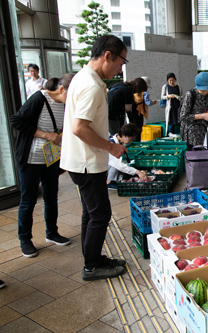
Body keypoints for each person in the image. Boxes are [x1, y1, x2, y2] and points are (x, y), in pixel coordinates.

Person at [60, 34, 128, 281]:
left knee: (91, 213)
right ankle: (91, 266)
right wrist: (111, 148)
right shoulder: (90, 84)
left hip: (81, 161)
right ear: (107, 55)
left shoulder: (83, 77)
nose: (121, 68)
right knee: (100, 214)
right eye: (121, 62)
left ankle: (94, 259)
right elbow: (80, 128)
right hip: (87, 162)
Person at [11, 73, 75, 258]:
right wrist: (46, 135)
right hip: (31, 158)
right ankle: (25, 239)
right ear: (62, 89)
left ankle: (52, 233)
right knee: (28, 200)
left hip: (51, 158)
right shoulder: (39, 98)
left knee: (51, 196)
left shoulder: (64, 105)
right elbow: (16, 121)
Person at [180, 72, 208, 150]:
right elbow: (183, 116)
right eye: (203, 90)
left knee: (204, 158)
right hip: (191, 134)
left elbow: (207, 110)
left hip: (204, 132)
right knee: (193, 158)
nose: (206, 92)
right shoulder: (191, 94)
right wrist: (202, 116)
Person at [107, 124, 147, 190]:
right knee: (116, 163)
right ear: (123, 135)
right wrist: (138, 172)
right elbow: (119, 165)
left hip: (107, 165)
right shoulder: (112, 144)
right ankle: (109, 182)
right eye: (131, 139)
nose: (131, 141)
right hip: (103, 166)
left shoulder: (118, 141)